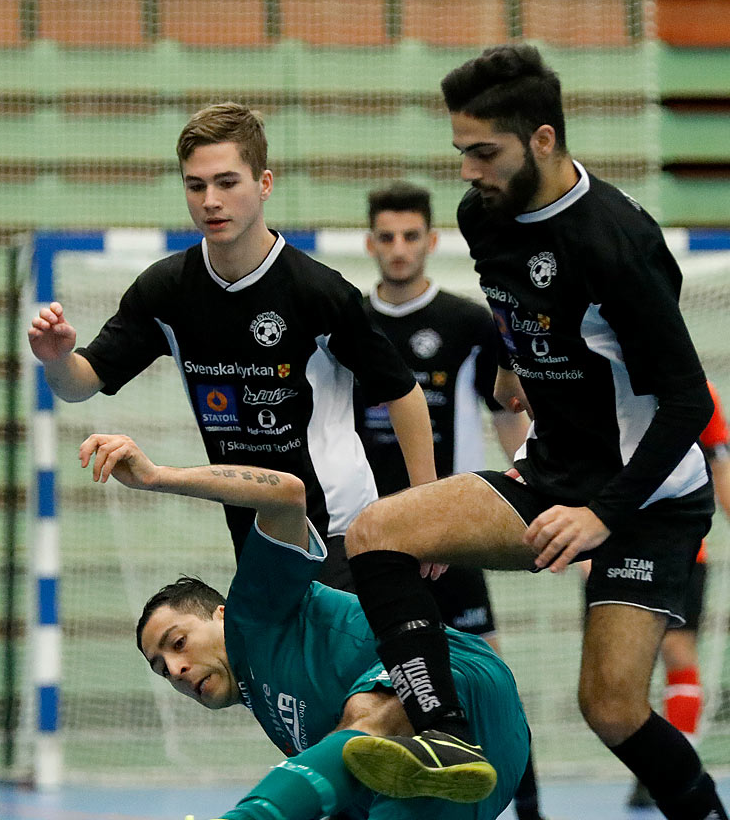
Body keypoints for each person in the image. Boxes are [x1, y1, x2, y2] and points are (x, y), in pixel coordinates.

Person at [337, 44, 730, 820]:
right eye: (459, 151)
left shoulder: (618, 243)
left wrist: (605, 517)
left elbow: (690, 407)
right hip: (546, 474)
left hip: (648, 499)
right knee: (379, 532)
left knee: (611, 706)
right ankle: (446, 737)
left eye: (484, 153)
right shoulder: (482, 213)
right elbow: (519, 311)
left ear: (543, 140)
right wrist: (510, 371)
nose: (467, 173)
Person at [78, 430, 702, 820]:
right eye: (162, 668)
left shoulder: (252, 611)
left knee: (364, 720)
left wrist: (158, 477)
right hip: (448, 766)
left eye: (177, 644)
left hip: (455, 686)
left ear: (218, 615)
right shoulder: (273, 711)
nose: (177, 670)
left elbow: (287, 492)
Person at [284, 182, 585, 820]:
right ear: (370, 244)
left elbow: (509, 409)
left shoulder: (467, 324)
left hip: (449, 532)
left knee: (490, 676)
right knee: (357, 683)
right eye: (385, 237)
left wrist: (544, 489)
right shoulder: (346, 321)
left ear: (430, 241)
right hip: (362, 538)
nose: (397, 249)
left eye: (409, 236)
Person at [25, 102, 435, 586]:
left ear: (263, 184)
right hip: (254, 527)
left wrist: (426, 513)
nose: (210, 200)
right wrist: (56, 359)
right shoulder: (166, 291)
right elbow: (80, 384)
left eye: (226, 182)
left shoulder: (318, 292)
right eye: (195, 186)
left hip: (339, 524)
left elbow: (402, 392)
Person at [623, 379, 730, 808]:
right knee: (622, 665)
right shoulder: (601, 379)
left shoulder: (698, 391)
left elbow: (723, 464)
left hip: (680, 546)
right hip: (613, 541)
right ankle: (647, 761)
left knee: (679, 651)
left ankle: (676, 766)